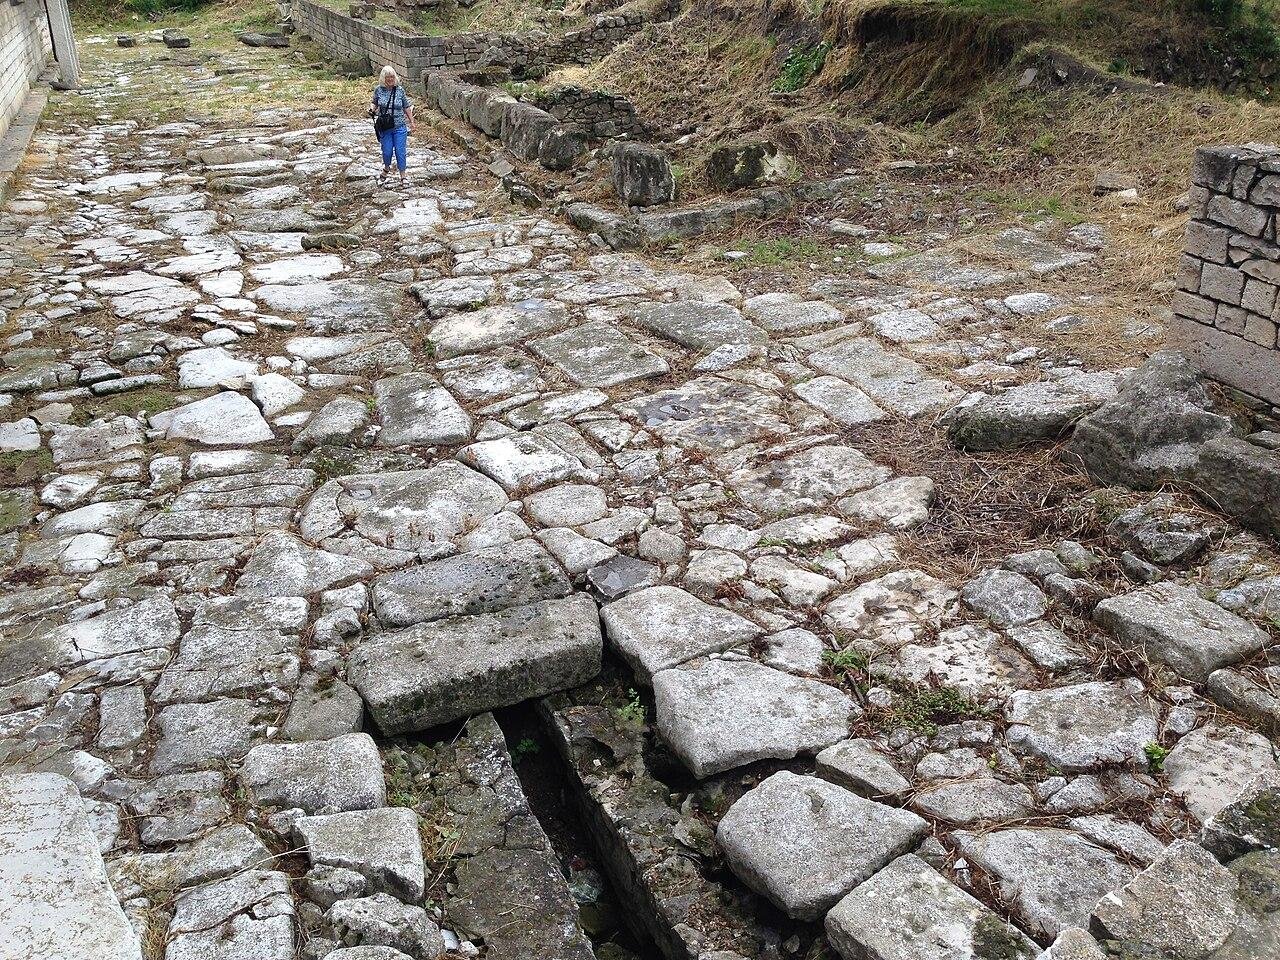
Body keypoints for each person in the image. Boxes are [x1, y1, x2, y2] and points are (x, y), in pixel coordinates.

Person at [370, 65, 414, 187]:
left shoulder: (400, 90)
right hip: (385, 127)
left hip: (400, 125)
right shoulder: (378, 90)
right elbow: (374, 102)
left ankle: (403, 175)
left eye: (392, 77)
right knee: (387, 151)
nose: (390, 79)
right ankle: (386, 168)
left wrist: (411, 121)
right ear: (383, 78)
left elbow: (406, 106)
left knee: (400, 151)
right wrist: (372, 109)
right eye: (388, 77)